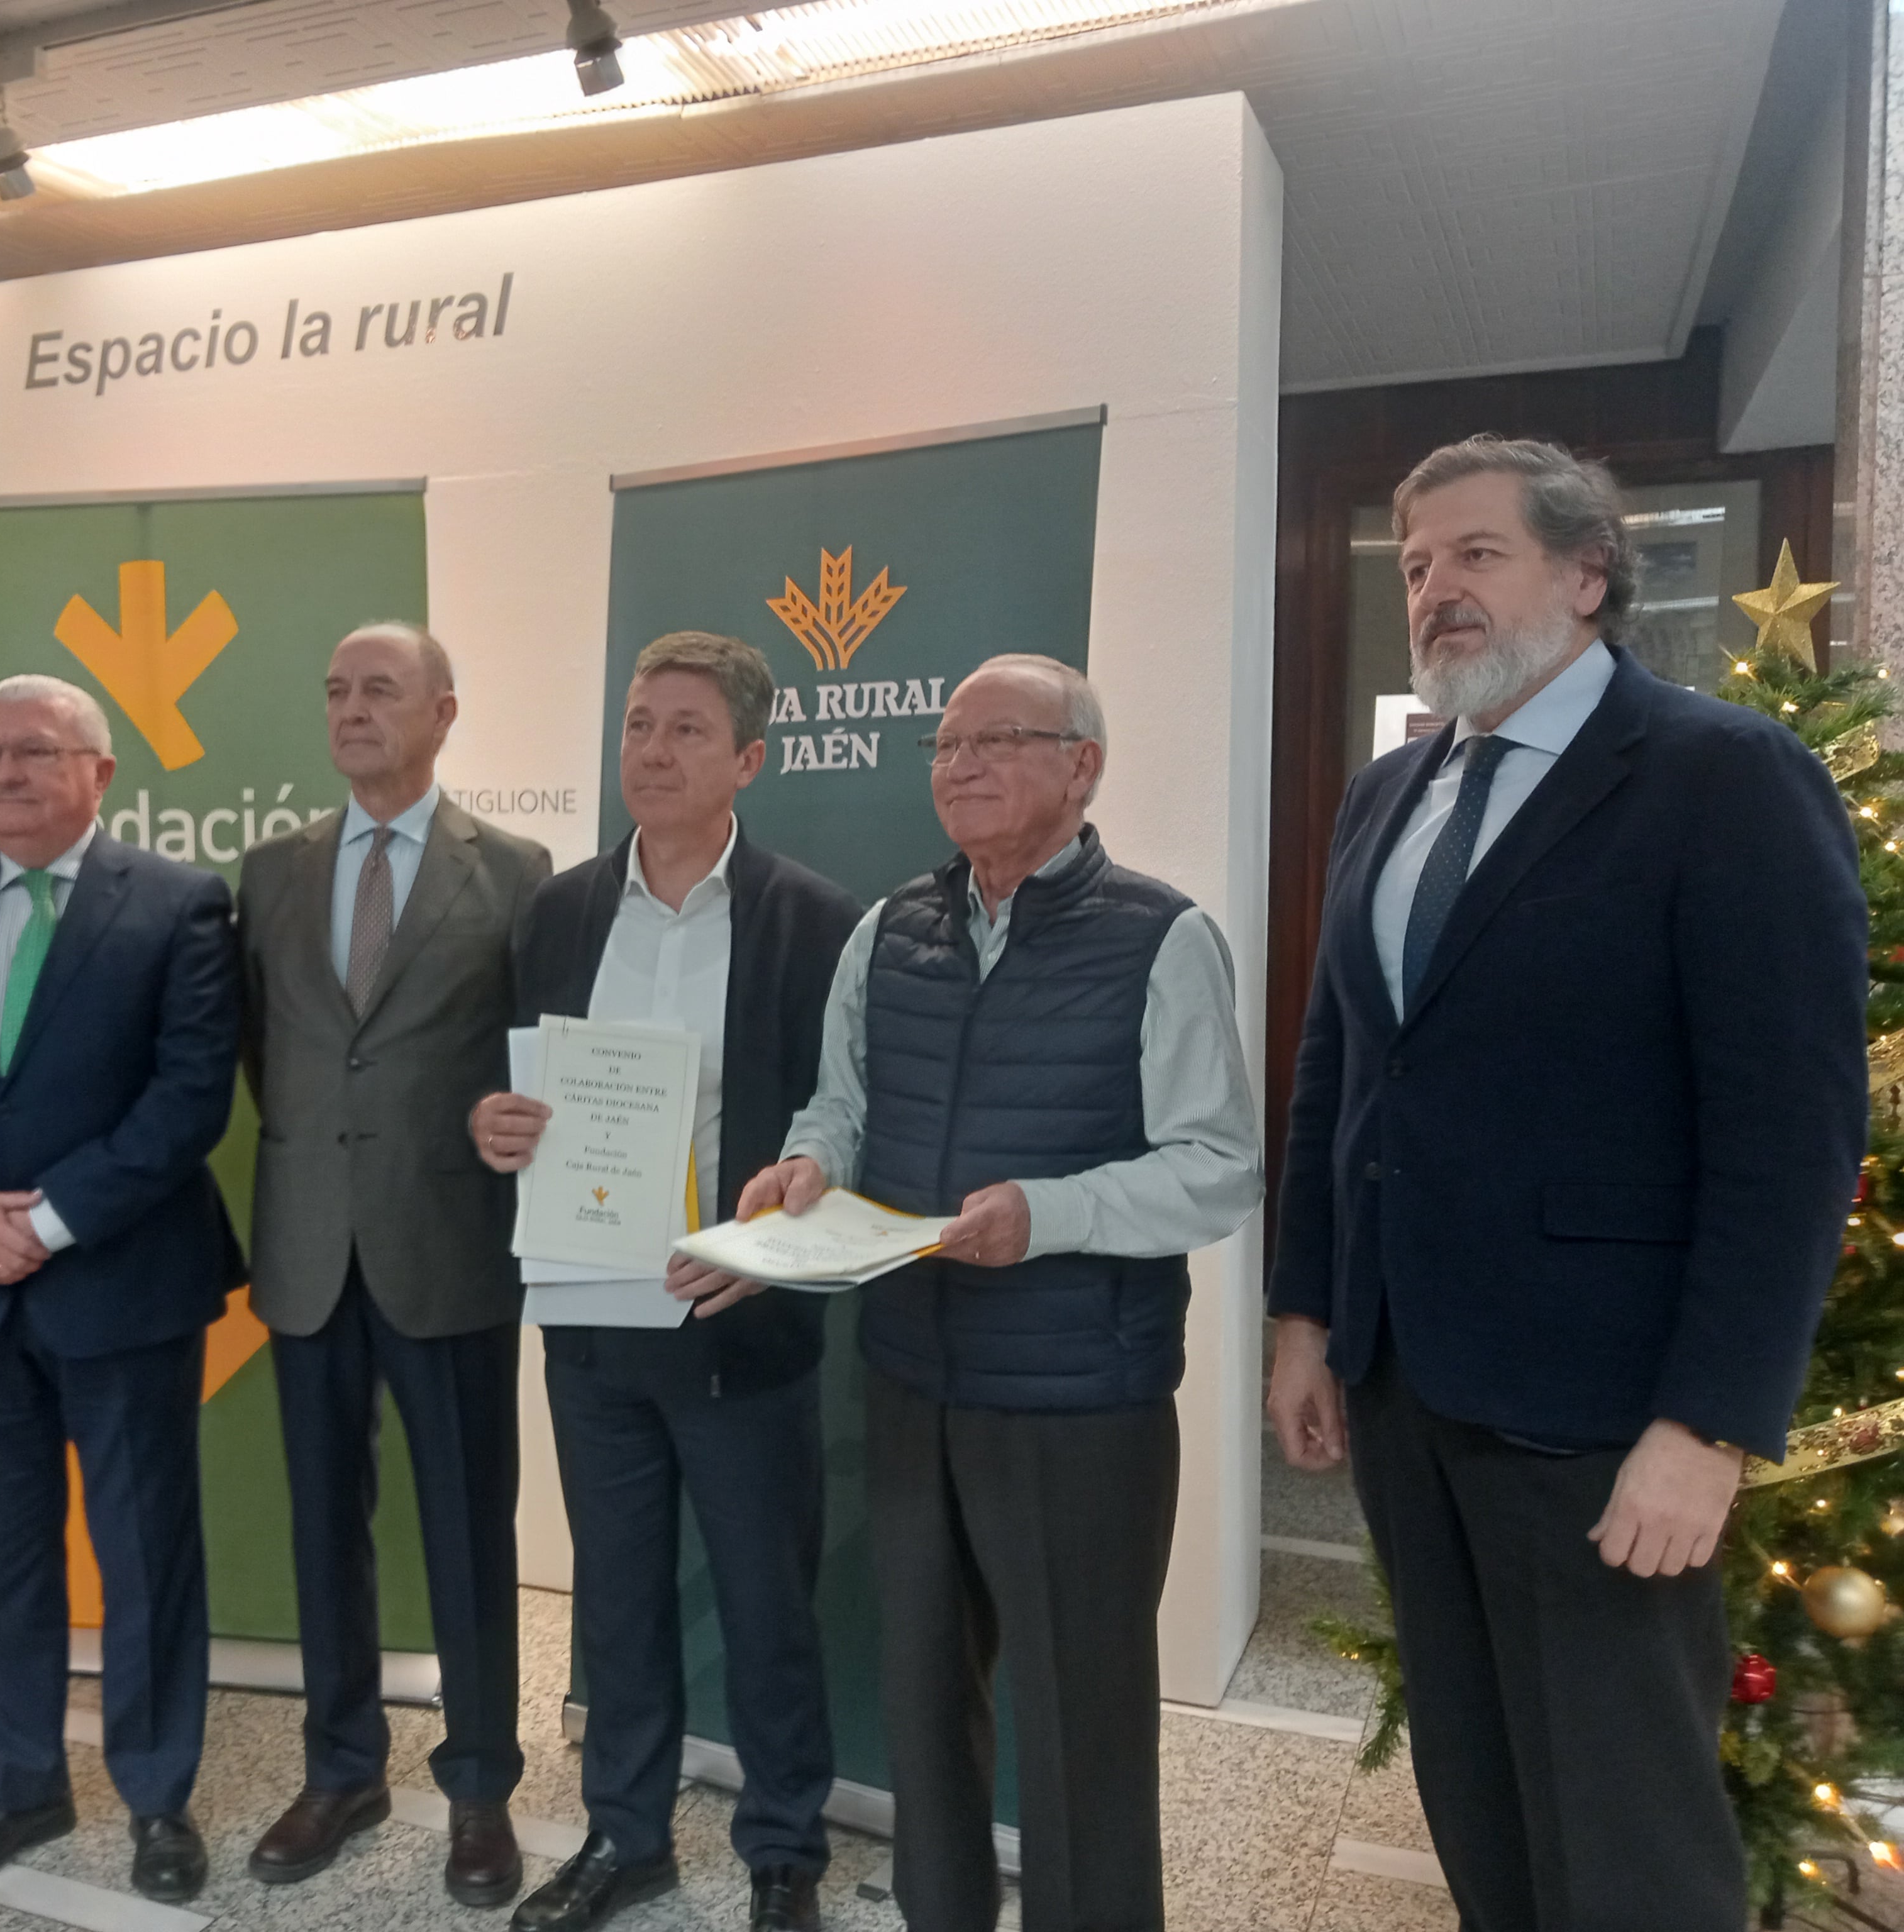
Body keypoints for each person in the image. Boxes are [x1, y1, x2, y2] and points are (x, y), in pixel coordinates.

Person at [1266, 436, 1866, 1932]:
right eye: (1415, 566)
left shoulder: (1722, 777)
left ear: (1589, 574)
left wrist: (1712, 1425)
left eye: (1478, 555)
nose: (1436, 592)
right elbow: (1341, 1075)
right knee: (1478, 1787)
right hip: (1408, 1387)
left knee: (1627, 1828)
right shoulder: (1388, 793)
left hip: (1605, 1416)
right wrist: (1306, 1317)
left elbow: (1791, 1134)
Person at [742, 654, 1262, 1932]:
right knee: (924, 1712)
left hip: (1083, 1400)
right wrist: (812, 1164)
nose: (960, 767)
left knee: (1081, 1726)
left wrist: (1051, 1217)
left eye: (999, 741)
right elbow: (842, 1103)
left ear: (1082, 766)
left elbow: (1218, 1168)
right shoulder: (888, 930)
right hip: (916, 1379)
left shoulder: (1164, 935)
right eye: (944, 747)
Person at [470, 633, 860, 1932]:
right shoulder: (561, 909)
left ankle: (784, 1850)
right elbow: (508, 1090)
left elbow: (840, 1122)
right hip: (590, 1323)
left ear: (748, 759)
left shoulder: (814, 920)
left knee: (766, 1610)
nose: (653, 749)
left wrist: (779, 1236)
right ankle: (626, 1837)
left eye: (688, 729)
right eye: (640, 724)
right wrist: (495, 1127)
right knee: (618, 1605)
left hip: (736, 1329)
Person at [0, 674, 240, 1907]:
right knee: (3, 1561)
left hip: (120, 1284)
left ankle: (159, 1797)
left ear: (100, 775)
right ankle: (17, 1787)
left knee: (145, 1554)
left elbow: (190, 1097)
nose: (7, 772)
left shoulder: (178, 905)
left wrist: (54, 1220)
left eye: (37, 752)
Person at [237, 620, 550, 1906]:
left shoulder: (521, 873)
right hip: (310, 1249)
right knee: (324, 1527)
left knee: (470, 1531)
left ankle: (480, 1790)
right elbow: (269, 1053)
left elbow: (538, 1056)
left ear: (444, 713)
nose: (352, 708)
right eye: (335, 689)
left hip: (450, 1246)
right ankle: (342, 1767)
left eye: (380, 689)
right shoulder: (270, 873)